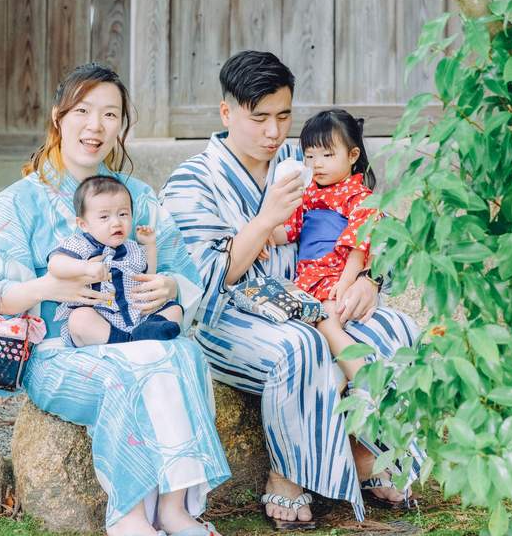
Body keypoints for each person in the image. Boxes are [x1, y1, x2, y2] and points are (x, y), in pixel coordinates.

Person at [0, 63, 230, 536]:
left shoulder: (137, 197)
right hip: (59, 354)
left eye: (110, 114)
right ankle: (127, 517)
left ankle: (174, 509)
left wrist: (171, 291)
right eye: (83, 111)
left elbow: (186, 277)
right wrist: (48, 288)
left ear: (121, 124)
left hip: (135, 334)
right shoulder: (22, 201)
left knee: (182, 353)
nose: (96, 125)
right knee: (128, 372)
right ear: (59, 118)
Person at [162, 51, 422, 529]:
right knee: (301, 346)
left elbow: (362, 219)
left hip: (318, 299)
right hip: (232, 319)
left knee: (394, 326)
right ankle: (288, 474)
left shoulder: (303, 160)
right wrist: (263, 222)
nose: (273, 132)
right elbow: (198, 284)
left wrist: (368, 278)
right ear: (226, 113)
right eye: (258, 118)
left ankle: (363, 452)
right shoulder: (191, 181)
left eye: (283, 117)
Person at [277, 108, 382, 383]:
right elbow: (292, 228)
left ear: (353, 155)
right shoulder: (309, 191)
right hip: (310, 275)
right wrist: (265, 234)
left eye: (327, 155)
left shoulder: (359, 196)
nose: (317, 164)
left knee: (328, 323)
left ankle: (365, 383)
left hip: (335, 274)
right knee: (311, 329)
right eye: (310, 156)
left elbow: (358, 245)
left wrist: (346, 283)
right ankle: (338, 383)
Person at [51, 174, 184, 345]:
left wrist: (150, 245)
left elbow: (148, 275)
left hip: (136, 315)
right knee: (79, 319)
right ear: (83, 224)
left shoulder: (132, 247)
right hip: (98, 315)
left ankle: (144, 333)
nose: (116, 223)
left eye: (123, 214)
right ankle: (125, 340)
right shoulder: (80, 245)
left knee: (174, 309)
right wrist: (84, 268)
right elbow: (55, 264)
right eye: (104, 217)